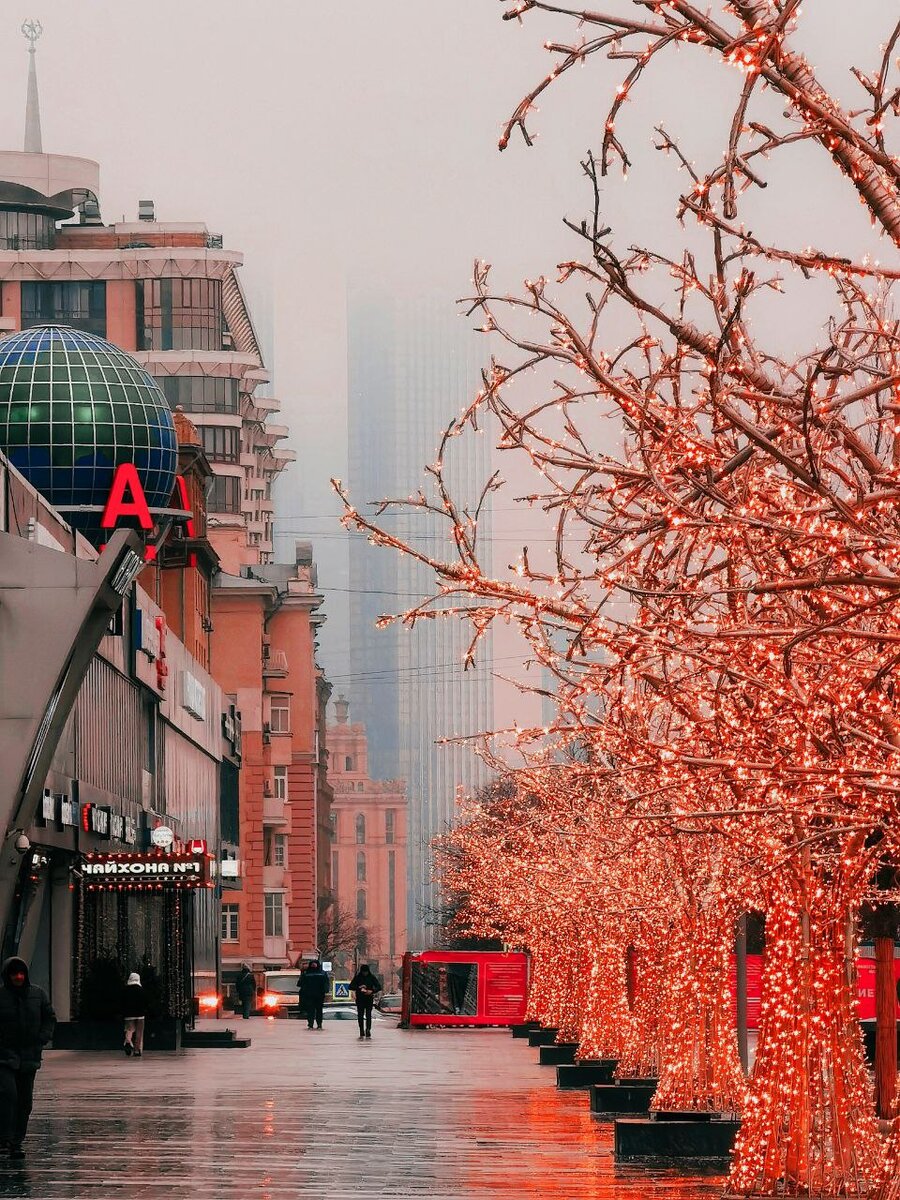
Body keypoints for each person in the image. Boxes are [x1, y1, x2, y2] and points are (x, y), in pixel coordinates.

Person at [0, 957, 56, 1161]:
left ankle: (16, 1140)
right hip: (5, 1057)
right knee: (8, 1094)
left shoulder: (37, 994)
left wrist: (42, 1038)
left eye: (21, 973)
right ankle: (4, 1137)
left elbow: (49, 1017)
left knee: (24, 1100)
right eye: (14, 974)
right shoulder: (2, 996)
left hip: (29, 1056)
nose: (18, 977)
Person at [350, 964, 382, 1039]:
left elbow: (379, 987)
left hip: (369, 998)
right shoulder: (358, 977)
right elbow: (350, 986)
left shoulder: (371, 977)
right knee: (360, 1016)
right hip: (360, 999)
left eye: (366, 972)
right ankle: (361, 1030)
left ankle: (368, 1029)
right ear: (361, 971)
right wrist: (359, 987)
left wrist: (371, 991)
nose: (365, 973)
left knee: (368, 1015)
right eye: (364, 972)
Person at [121, 972, 145, 1058]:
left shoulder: (125, 990)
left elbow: (122, 1002)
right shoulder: (140, 989)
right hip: (140, 1014)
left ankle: (128, 1041)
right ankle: (137, 1050)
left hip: (129, 1014)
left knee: (129, 1029)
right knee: (139, 1032)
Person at [299, 960, 328, 1030]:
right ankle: (313, 1024)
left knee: (314, 1011)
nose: (314, 966)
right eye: (313, 964)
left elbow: (300, 984)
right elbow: (301, 983)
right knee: (313, 1011)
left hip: (315, 995)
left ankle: (317, 1024)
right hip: (312, 995)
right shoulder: (322, 973)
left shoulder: (307, 973)